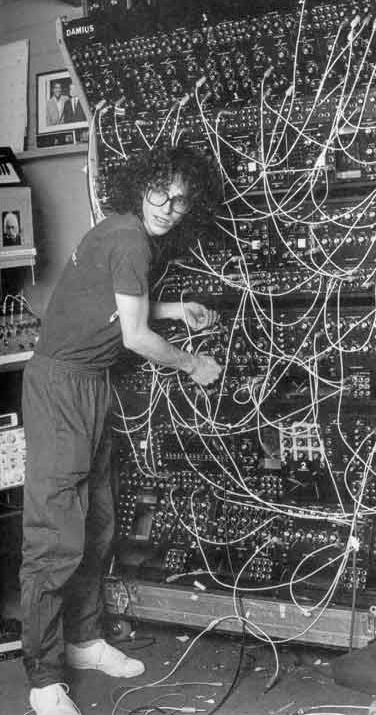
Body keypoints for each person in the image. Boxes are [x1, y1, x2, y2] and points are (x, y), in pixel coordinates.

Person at [20, 145, 223, 715]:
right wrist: (192, 363)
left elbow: (115, 307)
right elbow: (133, 338)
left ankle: (84, 643)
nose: (169, 206)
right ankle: (43, 676)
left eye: (182, 200)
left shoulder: (129, 234)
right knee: (55, 536)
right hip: (62, 384)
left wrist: (175, 308)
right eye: (162, 191)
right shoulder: (129, 235)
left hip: (90, 385)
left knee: (98, 521)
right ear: (140, 184)